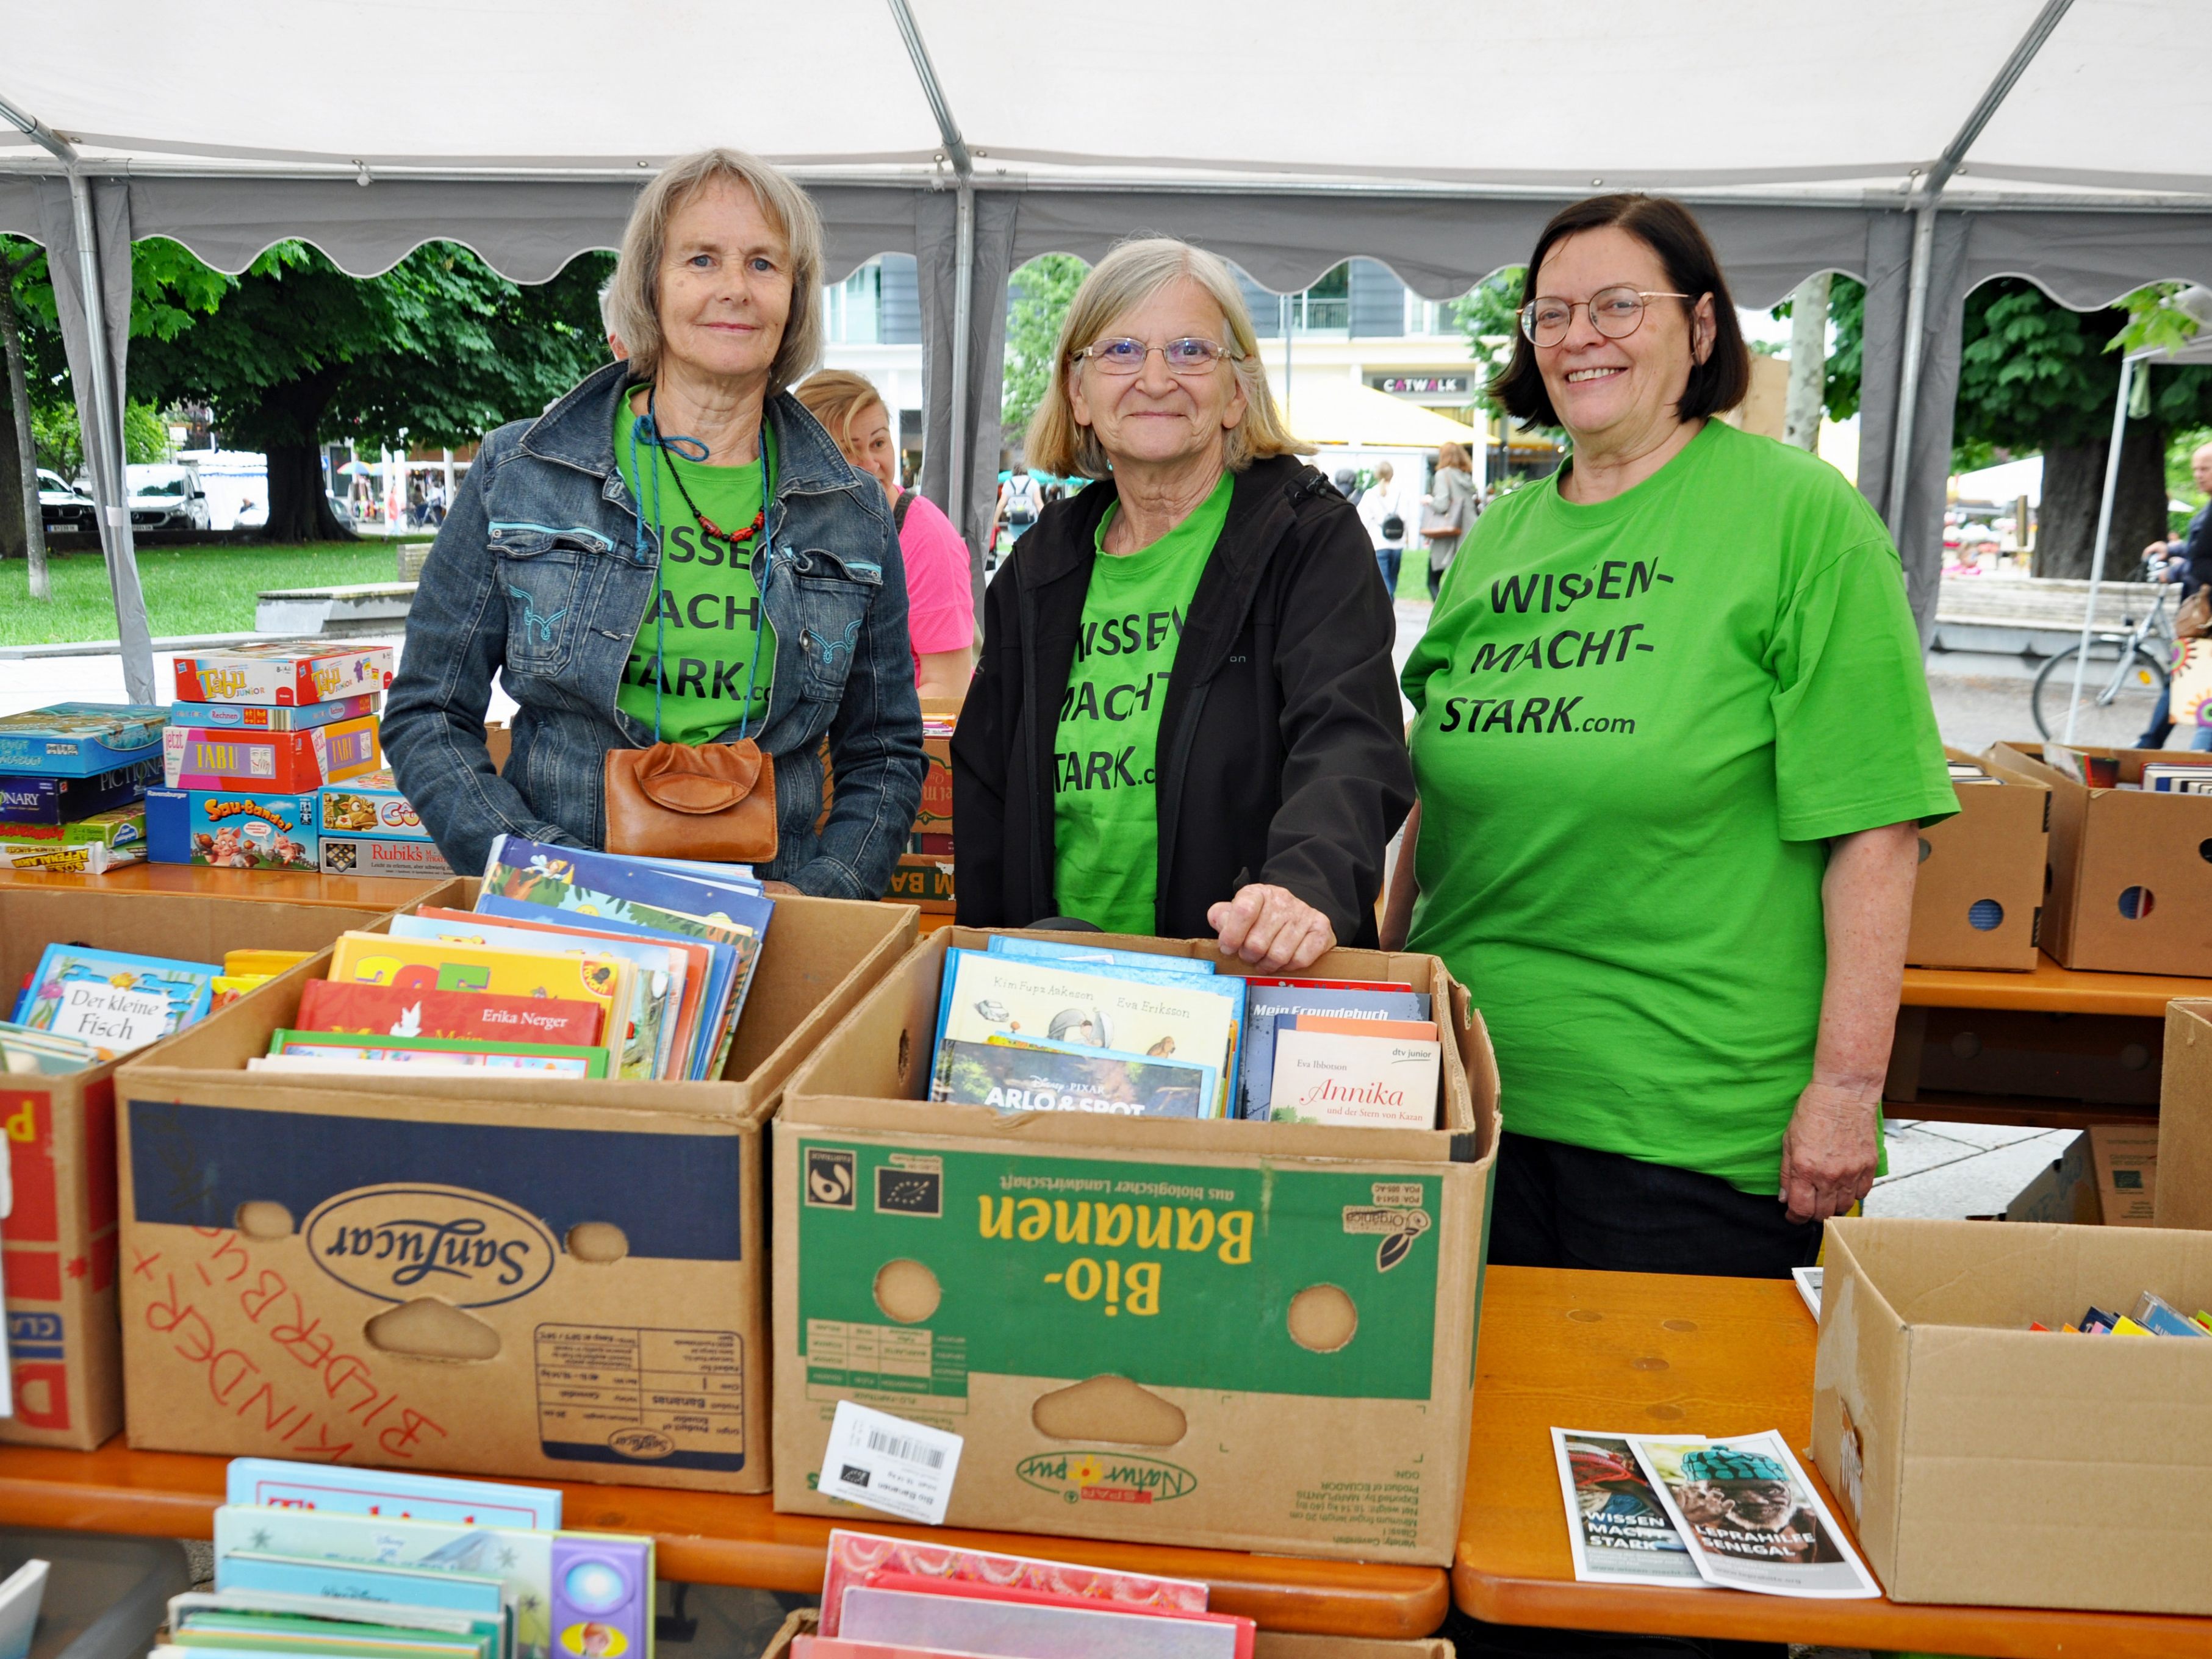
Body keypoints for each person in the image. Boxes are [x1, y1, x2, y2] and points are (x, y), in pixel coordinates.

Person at [1385, 191, 1955, 1275]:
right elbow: (1434, 794)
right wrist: (1377, 999)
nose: (1578, 336)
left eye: (1616, 304)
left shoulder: (1801, 519)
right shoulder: (1502, 532)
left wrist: (1845, 1092)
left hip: (1686, 1127)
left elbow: (1876, 829)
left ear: (1700, 330)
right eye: (1550, 315)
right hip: (1464, 1103)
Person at [382, 148, 925, 895]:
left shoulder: (854, 511)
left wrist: (820, 895)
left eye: (764, 264)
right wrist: (543, 875)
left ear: (796, 298)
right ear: (650, 285)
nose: (734, 288)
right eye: (701, 260)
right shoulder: (521, 473)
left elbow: (886, 750)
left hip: (780, 912)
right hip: (563, 909)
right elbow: (428, 712)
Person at [952, 237, 1413, 971]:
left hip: (1251, 975)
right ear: (1078, 392)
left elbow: (1349, 742)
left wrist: (1301, 890)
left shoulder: (1307, 540)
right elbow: (985, 789)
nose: (1155, 378)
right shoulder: (1041, 563)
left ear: (1236, 393)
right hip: (1050, 985)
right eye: (1121, 350)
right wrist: (975, 965)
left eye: (1192, 350)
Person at [794, 369, 975, 701]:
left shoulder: (925, 536)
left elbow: (949, 691)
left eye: (878, 443)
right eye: (847, 449)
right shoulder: (794, 525)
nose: (871, 464)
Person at [2135, 440, 2212, 748]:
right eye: (2195, 469)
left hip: (2206, 618)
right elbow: (2201, 549)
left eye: (2205, 468)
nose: (2198, 475)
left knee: (2189, 680)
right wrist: (2172, 549)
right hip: (2203, 619)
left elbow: (2204, 562)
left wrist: (2177, 571)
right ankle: (2151, 745)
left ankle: (2193, 760)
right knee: (2183, 678)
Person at [1420, 441, 1475, 598]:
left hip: (1447, 534)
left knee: (1432, 581)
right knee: (1461, 582)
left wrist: (1429, 500)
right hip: (1468, 533)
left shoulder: (1443, 474)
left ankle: (1440, 618)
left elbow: (1442, 504)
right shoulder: (1466, 477)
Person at [1359, 457, 1410, 595]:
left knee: (1383, 581)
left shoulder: (1371, 494)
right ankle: (1390, 606)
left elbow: (1363, 520)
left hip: (1379, 543)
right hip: (1397, 544)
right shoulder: (1400, 494)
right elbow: (1405, 518)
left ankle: (1388, 609)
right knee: (1393, 580)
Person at [998, 466, 1043, 548]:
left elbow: (1002, 503)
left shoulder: (1009, 482)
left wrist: (995, 520)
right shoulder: (1033, 482)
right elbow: (1038, 503)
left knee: (1018, 545)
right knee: (1030, 545)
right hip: (1031, 522)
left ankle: (1019, 558)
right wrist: (1045, 519)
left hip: (1014, 523)